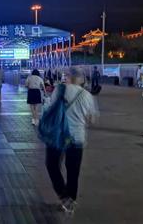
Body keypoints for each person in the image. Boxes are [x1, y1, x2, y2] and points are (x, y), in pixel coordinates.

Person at [44, 67, 98, 214]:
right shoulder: (87, 95)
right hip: (77, 138)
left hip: (58, 137)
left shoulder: (60, 90)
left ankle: (63, 196)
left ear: (68, 77)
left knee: (52, 165)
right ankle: (70, 203)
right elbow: (92, 119)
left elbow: (48, 108)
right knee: (73, 172)